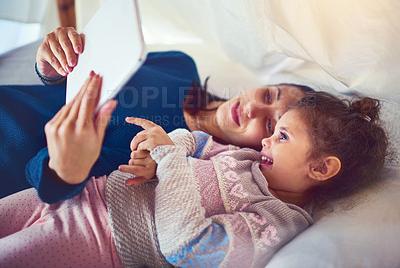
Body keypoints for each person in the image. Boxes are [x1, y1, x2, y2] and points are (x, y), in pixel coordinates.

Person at [0, 74, 388, 268]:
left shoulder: (275, 220)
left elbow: (189, 246)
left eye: (279, 133)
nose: (266, 141)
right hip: (89, 193)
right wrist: (159, 150)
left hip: (98, 238)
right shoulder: (249, 159)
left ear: (320, 168)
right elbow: (193, 141)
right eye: (269, 97)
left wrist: (169, 163)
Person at [0, 26, 313, 202]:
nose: (253, 108)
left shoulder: (167, 156)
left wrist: (65, 172)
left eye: (271, 123)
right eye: (269, 95)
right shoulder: (179, 64)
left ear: (266, 147)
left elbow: (41, 174)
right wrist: (54, 67)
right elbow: (75, 77)